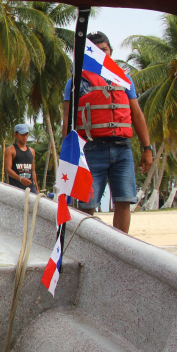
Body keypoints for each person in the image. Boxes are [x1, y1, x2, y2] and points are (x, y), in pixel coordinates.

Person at [62, 31, 153, 233]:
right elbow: (67, 119)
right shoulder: (76, 82)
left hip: (122, 149)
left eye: (104, 50)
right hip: (92, 149)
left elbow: (137, 115)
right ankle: (89, 247)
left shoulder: (125, 80)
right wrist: (68, 154)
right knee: (87, 205)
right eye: (96, 51)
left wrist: (148, 148)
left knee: (124, 200)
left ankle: (119, 247)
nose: (101, 54)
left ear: (110, 51)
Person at [4, 124, 38, 194]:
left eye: (26, 134)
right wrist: (20, 179)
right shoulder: (10, 150)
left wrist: (37, 188)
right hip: (16, 187)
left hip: (31, 187)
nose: (25, 137)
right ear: (16, 135)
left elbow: (33, 171)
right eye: (22, 135)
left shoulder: (32, 151)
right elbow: (8, 169)